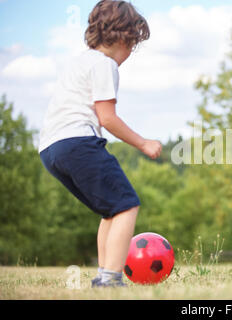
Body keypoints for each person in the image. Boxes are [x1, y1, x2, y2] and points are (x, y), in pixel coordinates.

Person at [39, 0, 162, 287]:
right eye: (132, 45)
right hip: (77, 142)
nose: (130, 53)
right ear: (122, 37)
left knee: (111, 210)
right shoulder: (105, 65)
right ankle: (110, 279)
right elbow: (107, 118)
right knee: (127, 205)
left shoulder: (79, 61)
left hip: (50, 148)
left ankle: (103, 276)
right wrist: (143, 143)